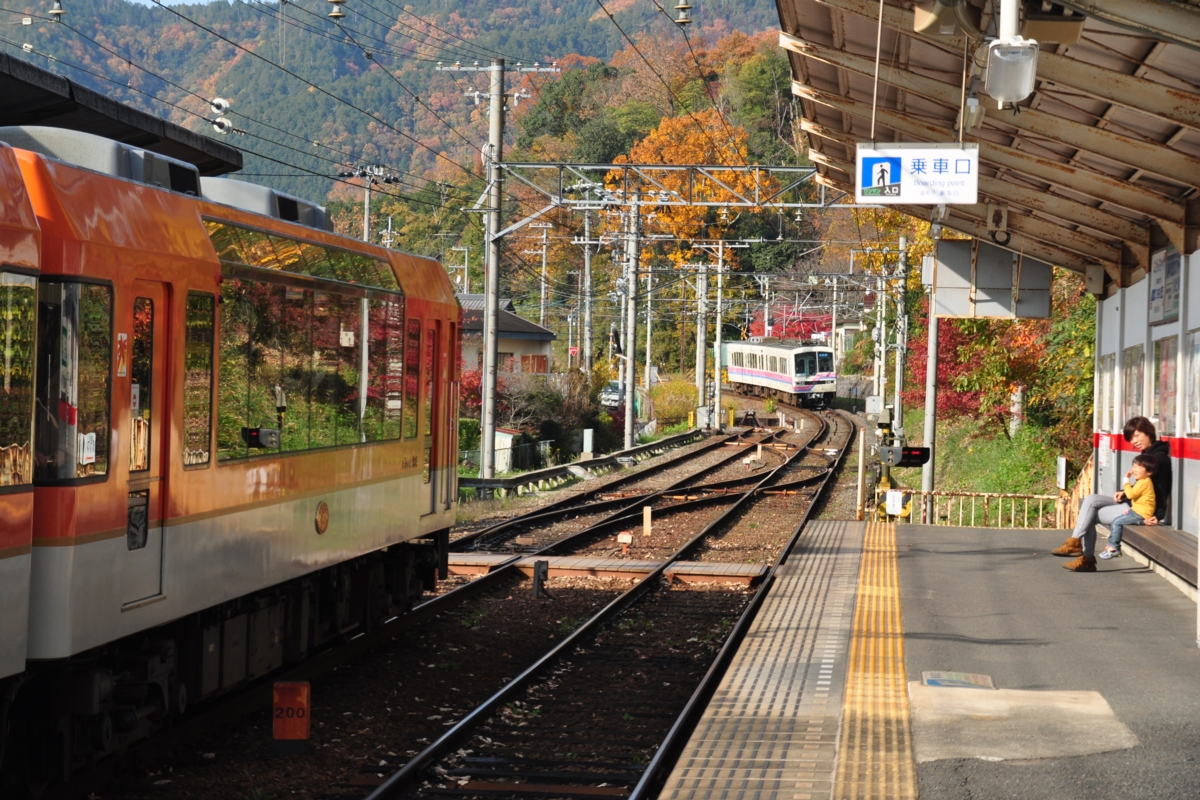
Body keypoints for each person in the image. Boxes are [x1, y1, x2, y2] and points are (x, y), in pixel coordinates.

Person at [1054, 416, 1172, 572]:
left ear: (1149, 432)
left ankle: (1084, 556)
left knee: (1090, 515)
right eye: (1131, 438)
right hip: (1133, 501)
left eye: (1137, 435)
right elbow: (1143, 487)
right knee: (1091, 499)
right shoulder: (1149, 454)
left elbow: (1161, 488)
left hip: (1138, 510)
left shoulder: (1158, 459)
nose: (1134, 441)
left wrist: (1158, 514)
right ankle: (1075, 544)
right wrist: (1123, 492)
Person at [1098, 454, 1156, 560]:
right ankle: (1111, 545)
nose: (1135, 470)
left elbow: (1130, 495)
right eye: (1134, 466)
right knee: (1119, 519)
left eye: (1139, 467)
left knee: (1117, 522)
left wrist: (1126, 480)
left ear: (1149, 472)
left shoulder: (1144, 482)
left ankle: (1114, 548)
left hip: (1141, 513)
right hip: (1138, 511)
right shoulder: (1143, 481)